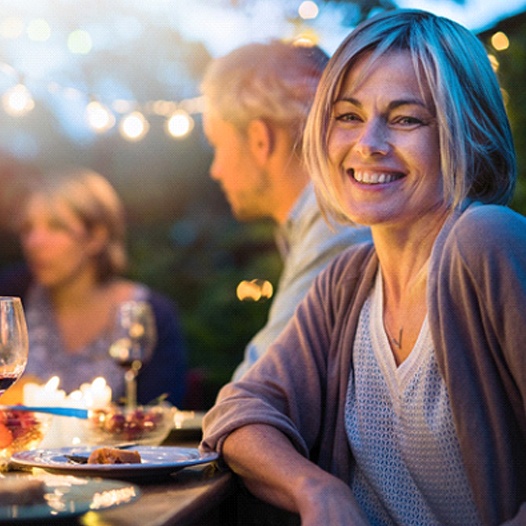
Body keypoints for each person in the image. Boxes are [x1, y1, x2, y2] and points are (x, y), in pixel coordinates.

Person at [201, 9, 526, 526]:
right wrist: (316, 488)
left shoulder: (486, 242)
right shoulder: (348, 280)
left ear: (469, 132)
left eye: (405, 118)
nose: (367, 144)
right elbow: (239, 411)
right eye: (348, 116)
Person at [200, 40, 370, 381]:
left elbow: (264, 383)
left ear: (261, 140)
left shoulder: (337, 221)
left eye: (218, 145)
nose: (214, 170)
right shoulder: (316, 220)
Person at [12, 168, 187, 406]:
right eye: (28, 228)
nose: (34, 242)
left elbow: (160, 411)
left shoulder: (152, 314)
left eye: (55, 227)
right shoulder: (11, 296)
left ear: (97, 236)